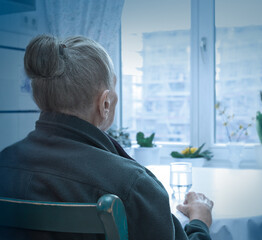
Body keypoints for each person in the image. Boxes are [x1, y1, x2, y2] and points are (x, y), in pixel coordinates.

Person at [0, 35, 213, 240]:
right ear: (105, 104)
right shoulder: (134, 187)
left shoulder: (4, 163)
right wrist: (199, 221)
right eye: (114, 87)